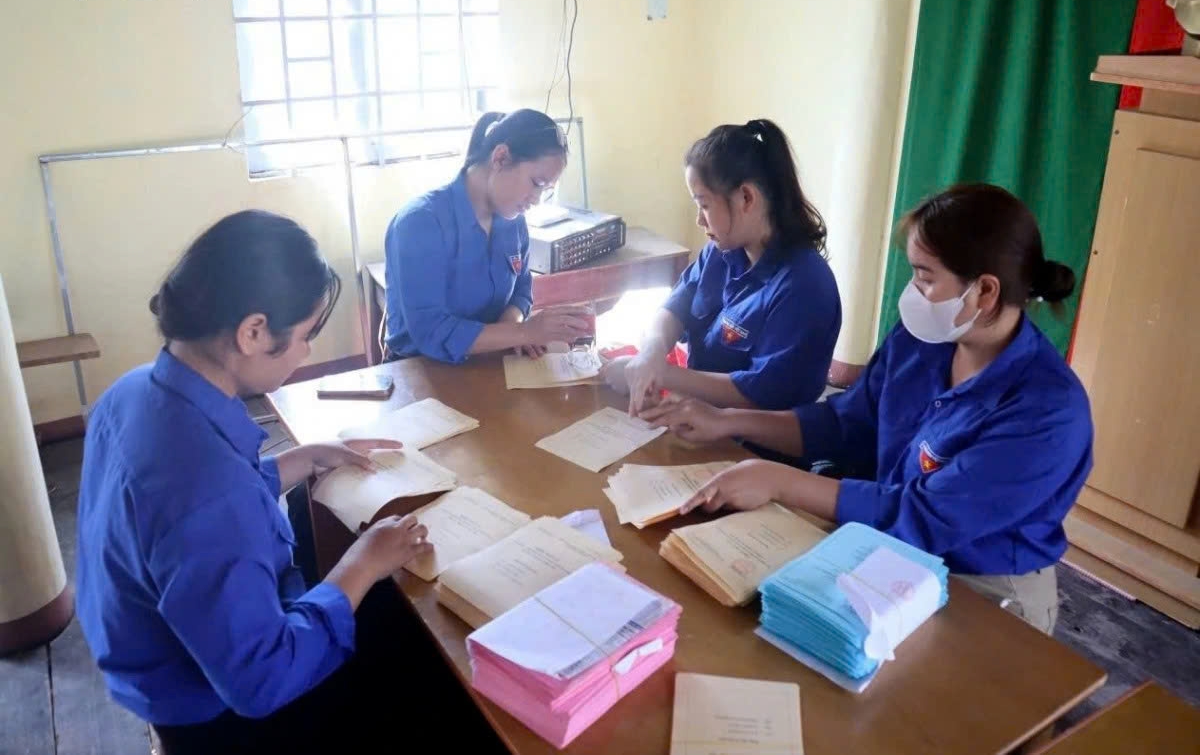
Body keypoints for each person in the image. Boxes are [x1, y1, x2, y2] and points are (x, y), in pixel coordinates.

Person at [75, 211, 502, 754]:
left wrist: (302, 459)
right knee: (433, 655)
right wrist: (363, 562)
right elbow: (261, 681)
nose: (307, 353)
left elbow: (171, 521)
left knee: (360, 577)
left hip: (149, 655)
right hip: (216, 713)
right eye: (305, 336)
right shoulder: (208, 489)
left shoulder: (133, 392)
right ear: (253, 332)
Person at [642, 184, 1093, 634]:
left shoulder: (1047, 412)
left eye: (925, 277)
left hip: (983, 585)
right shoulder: (924, 341)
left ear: (985, 292)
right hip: (886, 539)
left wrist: (777, 480)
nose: (913, 292)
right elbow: (845, 423)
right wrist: (727, 421)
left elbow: (923, 517)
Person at [602, 119, 841, 416]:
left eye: (704, 205)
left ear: (746, 198)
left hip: (752, 446)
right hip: (693, 418)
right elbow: (676, 306)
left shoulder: (804, 286)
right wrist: (651, 351)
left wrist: (662, 374)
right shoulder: (722, 252)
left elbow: (760, 396)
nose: (700, 221)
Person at [384, 109, 592, 363]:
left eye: (546, 191)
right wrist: (522, 332)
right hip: (421, 370)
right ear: (501, 157)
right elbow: (432, 331)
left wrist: (514, 334)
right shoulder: (420, 223)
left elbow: (522, 291)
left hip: (491, 362)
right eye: (536, 183)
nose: (537, 200)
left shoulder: (512, 222)